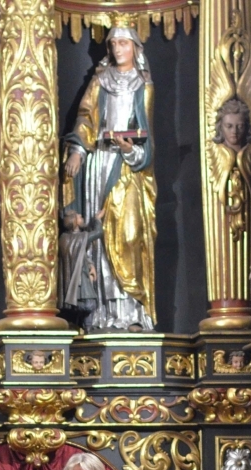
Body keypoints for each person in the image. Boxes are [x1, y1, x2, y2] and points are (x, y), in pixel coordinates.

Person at [63, 22, 156, 332]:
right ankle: (102, 315)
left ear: (135, 48)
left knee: (128, 235)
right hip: (98, 161)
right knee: (97, 236)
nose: (118, 49)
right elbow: (86, 118)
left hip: (126, 168)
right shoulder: (100, 80)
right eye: (113, 44)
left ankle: (131, 312)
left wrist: (131, 151)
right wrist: (77, 150)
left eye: (124, 43)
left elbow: (146, 136)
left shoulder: (143, 83)